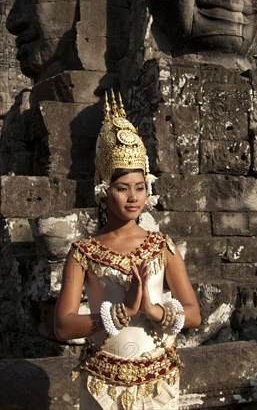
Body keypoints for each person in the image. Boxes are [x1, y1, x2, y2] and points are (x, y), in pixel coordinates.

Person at [54, 92, 201, 410]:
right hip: (102, 387)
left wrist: (153, 310)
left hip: (158, 384)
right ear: (103, 191)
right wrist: (122, 314)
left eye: (140, 187)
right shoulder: (83, 252)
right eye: (122, 188)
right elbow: (63, 325)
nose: (133, 197)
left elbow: (193, 313)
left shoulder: (163, 246)